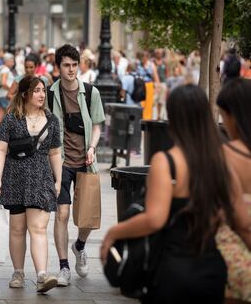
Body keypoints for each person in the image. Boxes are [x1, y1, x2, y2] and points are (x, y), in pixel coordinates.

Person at [100, 84, 251, 303]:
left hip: (172, 271)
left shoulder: (167, 162)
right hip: (212, 272)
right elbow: (242, 223)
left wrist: (114, 232)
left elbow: (154, 219)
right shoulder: (221, 162)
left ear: (173, 119)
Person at [0, 75, 62, 293]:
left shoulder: (52, 120)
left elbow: (55, 152)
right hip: (15, 178)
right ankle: (18, 272)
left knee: (38, 227)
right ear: (26, 94)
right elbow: (1, 149)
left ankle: (42, 274)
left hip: (41, 178)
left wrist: (58, 180)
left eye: (44, 90)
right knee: (17, 229)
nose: (42, 94)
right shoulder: (11, 118)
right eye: (37, 90)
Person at [48, 44, 105, 286]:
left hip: (85, 161)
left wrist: (92, 148)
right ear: (58, 67)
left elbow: (98, 124)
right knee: (62, 213)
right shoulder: (50, 94)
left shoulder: (91, 92)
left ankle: (79, 245)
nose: (71, 70)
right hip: (60, 163)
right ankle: (63, 267)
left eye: (74, 65)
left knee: (87, 218)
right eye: (66, 65)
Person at [216, 78, 251, 302]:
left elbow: (235, 217)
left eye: (223, 115)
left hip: (234, 257)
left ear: (233, 115)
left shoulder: (226, 155)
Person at [0, 53, 15, 134]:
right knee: (9, 117)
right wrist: (12, 89)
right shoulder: (5, 70)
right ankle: (5, 135)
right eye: (11, 61)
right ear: (6, 61)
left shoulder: (0, 68)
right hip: (5, 95)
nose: (13, 63)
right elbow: (3, 82)